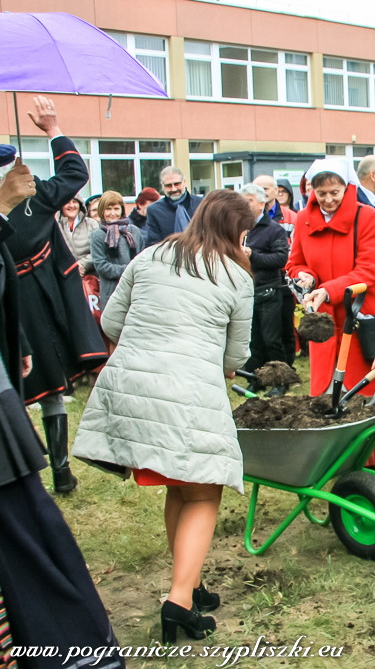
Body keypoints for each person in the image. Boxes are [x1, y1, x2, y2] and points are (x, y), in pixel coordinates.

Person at [74, 189, 255, 641]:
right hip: (187, 393)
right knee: (202, 494)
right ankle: (179, 600)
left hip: (134, 387)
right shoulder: (236, 277)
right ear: (234, 231)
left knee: (181, 486)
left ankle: (190, 583)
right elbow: (235, 355)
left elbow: (111, 323)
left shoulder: (150, 255)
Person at [0, 145, 124, 667]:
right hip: (30, 326)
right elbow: (73, 173)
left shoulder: (27, 208)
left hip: (31, 328)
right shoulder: (17, 211)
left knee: (27, 536)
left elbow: (73, 173)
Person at [5, 96, 108, 494]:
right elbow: (73, 170)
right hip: (19, 302)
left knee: (45, 386)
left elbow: (74, 174)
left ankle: (57, 473)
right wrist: (51, 129)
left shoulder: (35, 194)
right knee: (37, 387)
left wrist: (52, 131)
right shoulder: (32, 194)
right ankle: (48, 473)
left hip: (37, 300)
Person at [286, 158, 375, 466]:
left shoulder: (366, 216)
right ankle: (336, 456)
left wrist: (327, 290)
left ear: (348, 187)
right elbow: (295, 262)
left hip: (359, 316)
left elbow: (369, 269)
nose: (329, 199)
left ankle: (373, 456)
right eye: (321, 193)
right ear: (311, 191)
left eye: (335, 191)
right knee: (326, 389)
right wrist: (304, 276)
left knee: (365, 386)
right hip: (324, 321)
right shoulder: (303, 219)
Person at [239, 183, 290, 395]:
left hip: (269, 291)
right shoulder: (239, 228)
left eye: (248, 200)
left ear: (261, 204)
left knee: (272, 340)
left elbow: (281, 258)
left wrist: (253, 256)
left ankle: (280, 382)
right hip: (246, 291)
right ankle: (256, 379)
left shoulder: (274, 229)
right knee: (253, 340)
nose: (243, 204)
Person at [90, 190, 142, 309]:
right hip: (111, 291)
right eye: (108, 209)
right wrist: (128, 270)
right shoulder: (97, 235)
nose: (112, 213)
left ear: (122, 210)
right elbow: (101, 266)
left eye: (116, 209)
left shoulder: (134, 231)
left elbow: (142, 257)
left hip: (135, 290)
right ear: (102, 210)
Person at [143, 166, 205, 249]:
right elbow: (153, 244)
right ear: (162, 186)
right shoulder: (154, 210)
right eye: (168, 185)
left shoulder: (202, 204)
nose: (173, 189)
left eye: (177, 184)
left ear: (184, 181)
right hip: (169, 258)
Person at [58, 195, 99, 276]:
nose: (72, 205)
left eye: (75, 201)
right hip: (64, 276)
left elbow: (99, 251)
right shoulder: (54, 226)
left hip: (90, 277)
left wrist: (82, 265)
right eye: (67, 202)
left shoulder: (92, 224)